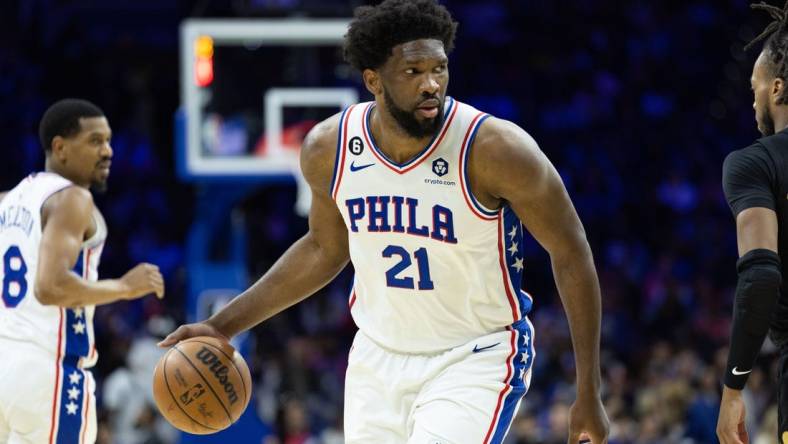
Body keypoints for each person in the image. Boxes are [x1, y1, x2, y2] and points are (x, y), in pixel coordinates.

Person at [160, 1, 609, 442]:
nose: (431, 84)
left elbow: (571, 252)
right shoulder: (329, 148)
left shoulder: (495, 150)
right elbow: (323, 249)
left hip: (475, 355)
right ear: (373, 80)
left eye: (439, 68)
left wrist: (588, 388)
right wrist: (223, 326)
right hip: (377, 358)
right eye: (413, 73)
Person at [0, 98, 164, 443]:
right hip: (46, 371)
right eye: (94, 141)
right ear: (60, 147)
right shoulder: (72, 198)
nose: (108, 151)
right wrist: (123, 287)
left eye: (108, 140)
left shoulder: (12, 197)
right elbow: (51, 287)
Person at [717, 2, 788, 443]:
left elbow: (761, 274)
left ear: (778, 88)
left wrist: (733, 387)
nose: (753, 100)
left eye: (755, 88)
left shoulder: (754, 163)